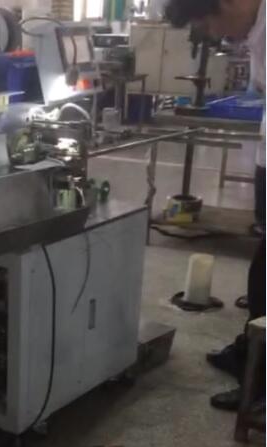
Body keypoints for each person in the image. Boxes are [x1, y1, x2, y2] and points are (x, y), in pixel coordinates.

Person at [164, 0, 265, 412]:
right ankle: (249, 352)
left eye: (207, 21)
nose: (214, 34)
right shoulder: (256, 31)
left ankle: (259, 386)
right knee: (261, 270)